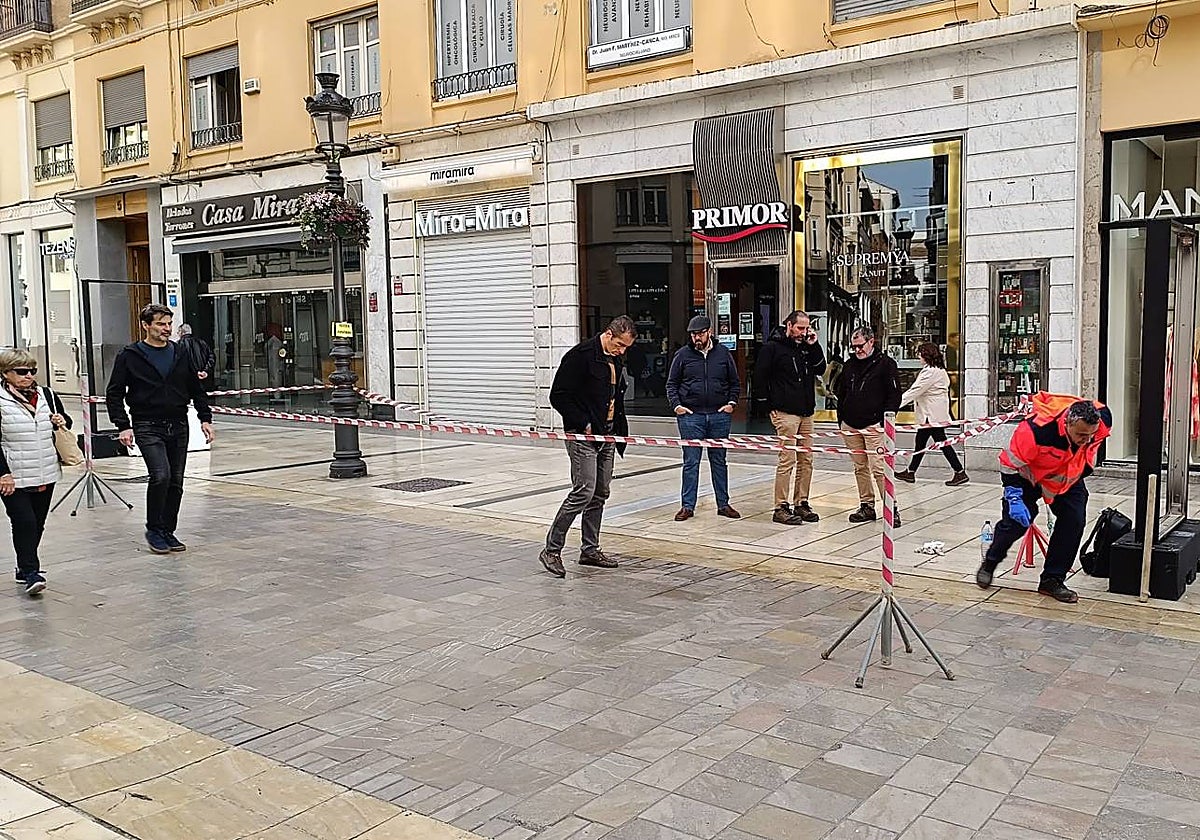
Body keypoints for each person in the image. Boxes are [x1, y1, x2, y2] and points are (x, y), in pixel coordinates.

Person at [976, 394, 1111, 603]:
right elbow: (1009, 463)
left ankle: (1052, 579)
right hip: (1027, 477)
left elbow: (1090, 443)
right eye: (1081, 435)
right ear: (1067, 422)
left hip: (1066, 477)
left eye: (1090, 435)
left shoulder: (1102, 420)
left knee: (1073, 520)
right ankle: (990, 562)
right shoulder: (1036, 430)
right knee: (1016, 523)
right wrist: (1013, 496)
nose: (1087, 440)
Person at [106, 304, 214, 555]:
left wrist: (205, 418)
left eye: (168, 324)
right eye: (160, 324)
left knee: (176, 481)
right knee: (161, 475)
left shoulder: (179, 353)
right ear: (146, 325)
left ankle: (168, 530)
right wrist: (123, 425)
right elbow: (114, 392)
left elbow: (195, 389)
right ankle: (154, 529)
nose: (166, 329)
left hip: (178, 423)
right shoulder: (130, 355)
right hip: (147, 424)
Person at [539, 316, 635, 578]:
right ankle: (551, 549)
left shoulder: (616, 359)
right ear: (608, 334)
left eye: (626, 347)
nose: (622, 351)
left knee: (600, 492)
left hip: (608, 435)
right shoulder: (580, 356)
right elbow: (558, 395)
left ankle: (590, 549)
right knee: (584, 490)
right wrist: (584, 423)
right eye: (619, 345)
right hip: (583, 435)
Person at [0, 350, 71, 596]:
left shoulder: (47, 395)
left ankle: (23, 566)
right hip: (13, 475)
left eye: (32, 371)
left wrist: (60, 420)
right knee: (24, 521)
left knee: (37, 523)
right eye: (21, 372)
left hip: (46, 470)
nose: (28, 376)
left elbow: (66, 422)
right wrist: (3, 473)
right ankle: (31, 572)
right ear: (6, 373)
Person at [754, 310, 826, 525]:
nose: (803, 333)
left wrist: (814, 345)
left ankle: (801, 502)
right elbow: (759, 377)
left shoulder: (805, 347)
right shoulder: (772, 348)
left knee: (807, 460)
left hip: (806, 411)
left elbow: (820, 368)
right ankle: (781, 506)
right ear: (789, 325)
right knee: (788, 459)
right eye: (800, 328)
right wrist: (768, 406)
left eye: (806, 329)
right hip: (785, 411)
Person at [666, 315, 741, 522]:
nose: (696, 338)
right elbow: (671, 384)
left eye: (700, 333)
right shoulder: (682, 355)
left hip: (719, 415)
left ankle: (723, 504)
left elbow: (734, 382)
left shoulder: (723, 354)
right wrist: (677, 406)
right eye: (693, 334)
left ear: (710, 332)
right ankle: (687, 506)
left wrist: (731, 404)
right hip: (691, 416)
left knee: (719, 461)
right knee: (691, 462)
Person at [836, 325, 901, 525]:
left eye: (860, 346)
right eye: (853, 347)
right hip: (851, 424)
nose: (857, 350)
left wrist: (884, 423)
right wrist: (842, 421)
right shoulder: (849, 365)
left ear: (871, 341)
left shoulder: (885, 364)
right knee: (859, 467)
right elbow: (842, 392)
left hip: (874, 425)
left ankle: (891, 507)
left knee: (879, 468)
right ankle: (866, 505)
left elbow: (894, 395)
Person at [895, 342, 969, 487]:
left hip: (931, 415)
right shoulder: (938, 370)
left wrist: (894, 406)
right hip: (934, 414)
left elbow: (915, 391)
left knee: (938, 443)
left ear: (926, 355)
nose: (918, 356)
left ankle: (959, 471)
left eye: (920, 353)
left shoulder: (930, 372)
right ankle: (910, 472)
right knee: (926, 443)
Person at [177, 324, 215, 390]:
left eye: (178, 332)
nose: (178, 334)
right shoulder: (202, 343)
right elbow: (211, 357)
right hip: (203, 381)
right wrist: (205, 371)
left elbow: (178, 364)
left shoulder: (178, 345)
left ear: (181, 332)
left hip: (187, 383)